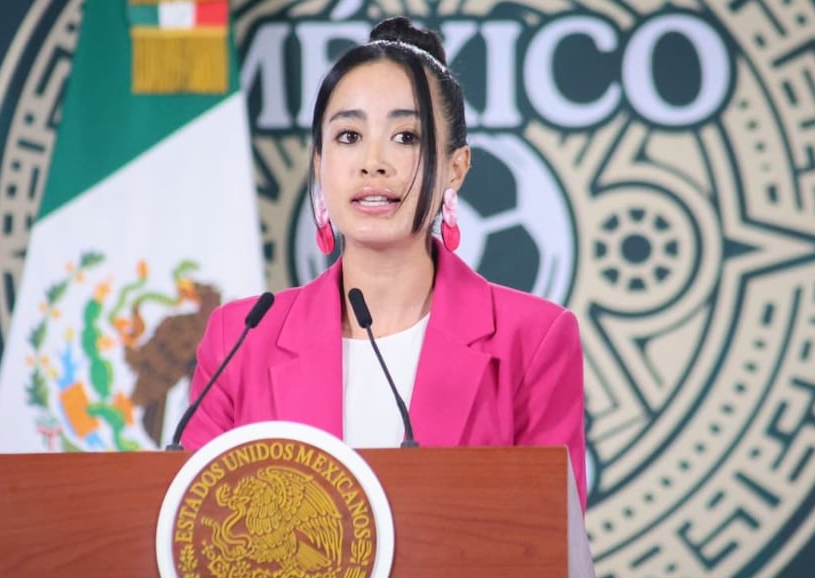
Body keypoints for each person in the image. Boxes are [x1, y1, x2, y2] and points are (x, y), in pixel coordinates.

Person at [181, 16, 588, 508]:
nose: (373, 162)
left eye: (406, 137)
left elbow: (547, 548)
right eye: (348, 136)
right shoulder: (239, 340)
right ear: (319, 164)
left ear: (455, 168)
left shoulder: (534, 339)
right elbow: (200, 532)